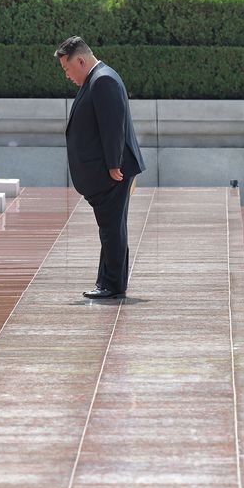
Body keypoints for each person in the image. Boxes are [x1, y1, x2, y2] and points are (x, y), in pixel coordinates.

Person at [56, 36, 145, 300]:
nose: (67, 75)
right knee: (110, 227)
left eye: (67, 68)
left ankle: (112, 284)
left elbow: (113, 125)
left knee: (111, 228)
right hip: (109, 171)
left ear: (81, 60)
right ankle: (107, 281)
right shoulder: (98, 78)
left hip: (113, 172)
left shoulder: (103, 80)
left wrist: (113, 164)